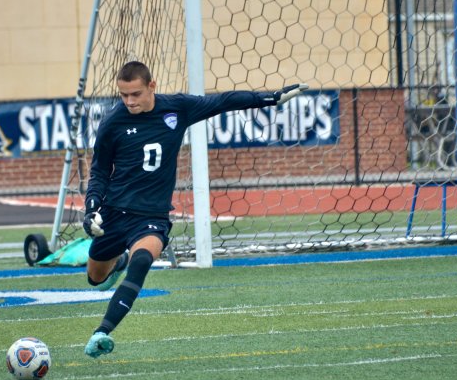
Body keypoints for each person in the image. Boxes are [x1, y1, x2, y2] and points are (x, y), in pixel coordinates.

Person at [81, 60, 307, 358]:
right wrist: (91, 209)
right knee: (95, 278)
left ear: (152, 86)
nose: (129, 101)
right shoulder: (113, 123)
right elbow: (99, 172)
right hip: (114, 213)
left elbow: (222, 102)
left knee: (142, 263)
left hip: (151, 217)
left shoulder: (177, 108)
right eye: (123, 95)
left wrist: (271, 97)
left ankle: (102, 332)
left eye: (135, 94)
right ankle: (117, 260)